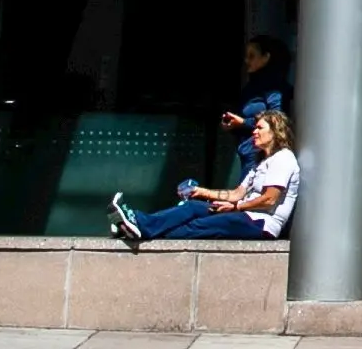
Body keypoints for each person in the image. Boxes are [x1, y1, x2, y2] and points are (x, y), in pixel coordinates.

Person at [114, 109, 300, 248]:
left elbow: (269, 199)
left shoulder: (283, 158)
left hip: (261, 224)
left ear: (275, 131)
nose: (254, 132)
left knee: (197, 226)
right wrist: (201, 192)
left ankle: (138, 229)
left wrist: (236, 207)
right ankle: (138, 223)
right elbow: (236, 194)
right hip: (244, 214)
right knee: (193, 207)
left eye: (260, 128)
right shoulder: (260, 162)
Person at [219, 35, 289, 178]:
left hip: (259, 154)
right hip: (246, 150)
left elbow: (276, 119)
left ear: (266, 58)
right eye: (246, 56)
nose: (247, 61)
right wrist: (233, 123)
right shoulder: (252, 87)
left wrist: (243, 122)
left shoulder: (273, 87)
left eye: (252, 56)